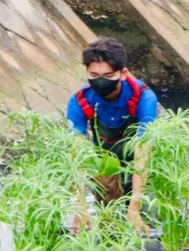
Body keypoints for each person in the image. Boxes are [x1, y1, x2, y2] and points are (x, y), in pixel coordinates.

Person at [67, 37, 159, 235]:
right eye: (94, 74)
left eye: (108, 75)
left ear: (123, 73)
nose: (100, 81)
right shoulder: (80, 101)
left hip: (140, 160)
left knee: (148, 216)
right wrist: (80, 206)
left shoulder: (143, 97)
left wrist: (134, 206)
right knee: (110, 223)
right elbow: (76, 154)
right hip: (107, 163)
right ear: (86, 72)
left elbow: (144, 151)